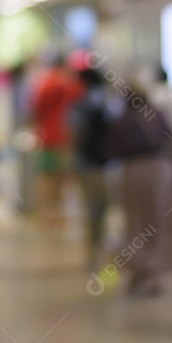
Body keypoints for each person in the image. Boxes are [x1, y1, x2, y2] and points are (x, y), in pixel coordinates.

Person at [108, 78, 172, 297]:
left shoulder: (124, 120)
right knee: (156, 218)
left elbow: (112, 146)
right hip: (157, 168)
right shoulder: (154, 115)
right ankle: (150, 269)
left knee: (136, 219)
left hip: (134, 169)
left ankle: (142, 267)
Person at [30, 56, 82, 221]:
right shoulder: (62, 84)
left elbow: (36, 110)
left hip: (47, 136)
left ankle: (47, 211)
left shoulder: (44, 84)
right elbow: (80, 92)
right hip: (58, 138)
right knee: (56, 176)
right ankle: (53, 210)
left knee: (48, 175)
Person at [71, 66, 110, 272]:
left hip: (90, 164)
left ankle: (94, 252)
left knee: (93, 210)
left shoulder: (83, 105)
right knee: (101, 210)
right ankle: (99, 249)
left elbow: (77, 135)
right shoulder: (108, 103)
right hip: (107, 165)